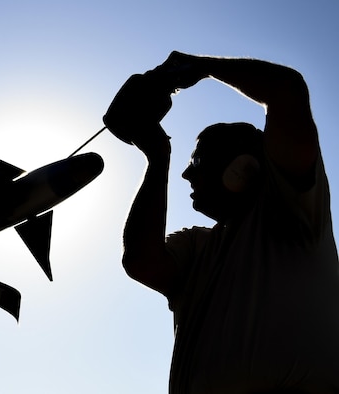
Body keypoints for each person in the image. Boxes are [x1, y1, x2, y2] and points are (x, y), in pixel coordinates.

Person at [103, 51, 339, 393]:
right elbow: (142, 262)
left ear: (242, 168)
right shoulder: (197, 246)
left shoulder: (294, 208)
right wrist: (158, 158)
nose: (186, 173)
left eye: (197, 160)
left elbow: (287, 89)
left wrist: (199, 67)